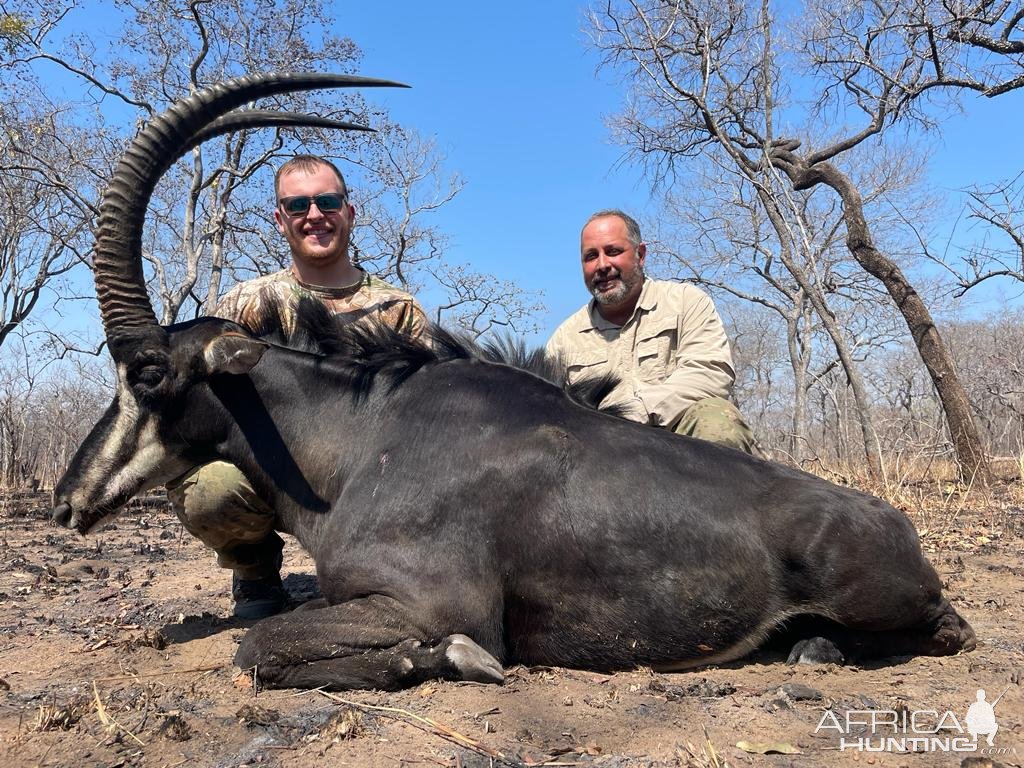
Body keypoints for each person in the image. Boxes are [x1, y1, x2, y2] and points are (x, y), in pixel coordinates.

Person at [167, 154, 428, 619]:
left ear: (349, 211)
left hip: (370, 478)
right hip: (273, 470)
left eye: (327, 200)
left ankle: (380, 571)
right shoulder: (246, 303)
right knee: (210, 488)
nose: (314, 215)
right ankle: (254, 572)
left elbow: (428, 412)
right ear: (279, 218)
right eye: (297, 205)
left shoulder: (398, 308)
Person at [546, 209, 756, 454]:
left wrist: (634, 412)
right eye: (591, 256)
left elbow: (708, 373)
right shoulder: (564, 339)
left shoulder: (686, 302)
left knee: (718, 420)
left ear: (640, 255)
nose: (602, 265)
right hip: (602, 458)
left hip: (677, 450)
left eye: (613, 251)